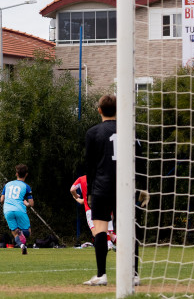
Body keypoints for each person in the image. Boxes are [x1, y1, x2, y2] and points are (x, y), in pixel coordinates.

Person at [83, 94, 118, 286]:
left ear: (99, 110)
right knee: (128, 229)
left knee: (101, 229)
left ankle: (101, 274)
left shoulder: (93, 132)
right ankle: (134, 274)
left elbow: (90, 165)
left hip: (102, 186)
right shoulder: (129, 130)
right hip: (124, 186)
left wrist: (89, 190)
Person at [70, 174, 114, 250]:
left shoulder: (81, 179)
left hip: (89, 209)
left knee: (94, 230)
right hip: (102, 206)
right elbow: (83, 201)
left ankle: (107, 244)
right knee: (104, 227)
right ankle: (109, 243)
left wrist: (75, 196)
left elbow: (72, 190)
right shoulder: (100, 178)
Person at [1, 164, 34, 255]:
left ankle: (22, 245)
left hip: (7, 210)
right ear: (26, 174)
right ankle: (21, 234)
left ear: (16, 174)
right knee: (28, 232)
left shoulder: (7, 185)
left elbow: (2, 200)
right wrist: (26, 203)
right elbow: (31, 204)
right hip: (19, 209)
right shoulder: (26, 186)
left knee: (15, 233)